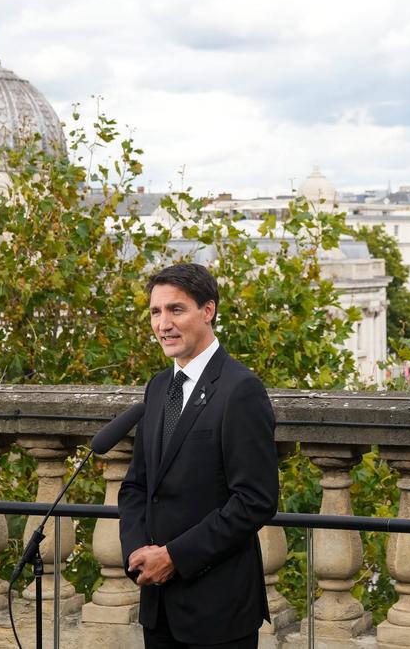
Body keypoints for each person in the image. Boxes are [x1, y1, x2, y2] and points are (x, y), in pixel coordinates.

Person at [119, 263, 279, 648]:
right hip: (158, 607)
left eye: (176, 310)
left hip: (218, 610)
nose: (163, 324)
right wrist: (138, 553)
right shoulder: (158, 387)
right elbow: (137, 486)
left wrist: (175, 556)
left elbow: (255, 500)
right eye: (156, 312)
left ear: (208, 311)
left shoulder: (241, 390)